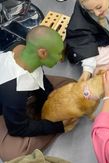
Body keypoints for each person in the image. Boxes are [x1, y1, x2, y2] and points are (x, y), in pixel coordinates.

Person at [0, 26, 78, 161]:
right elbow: (17, 129)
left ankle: (35, 113)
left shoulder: (19, 46)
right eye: (59, 53)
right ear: (43, 53)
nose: (61, 58)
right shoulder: (13, 92)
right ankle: (35, 116)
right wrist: (58, 126)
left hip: (22, 95)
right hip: (7, 109)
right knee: (13, 154)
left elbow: (39, 75)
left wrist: (51, 99)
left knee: (73, 87)